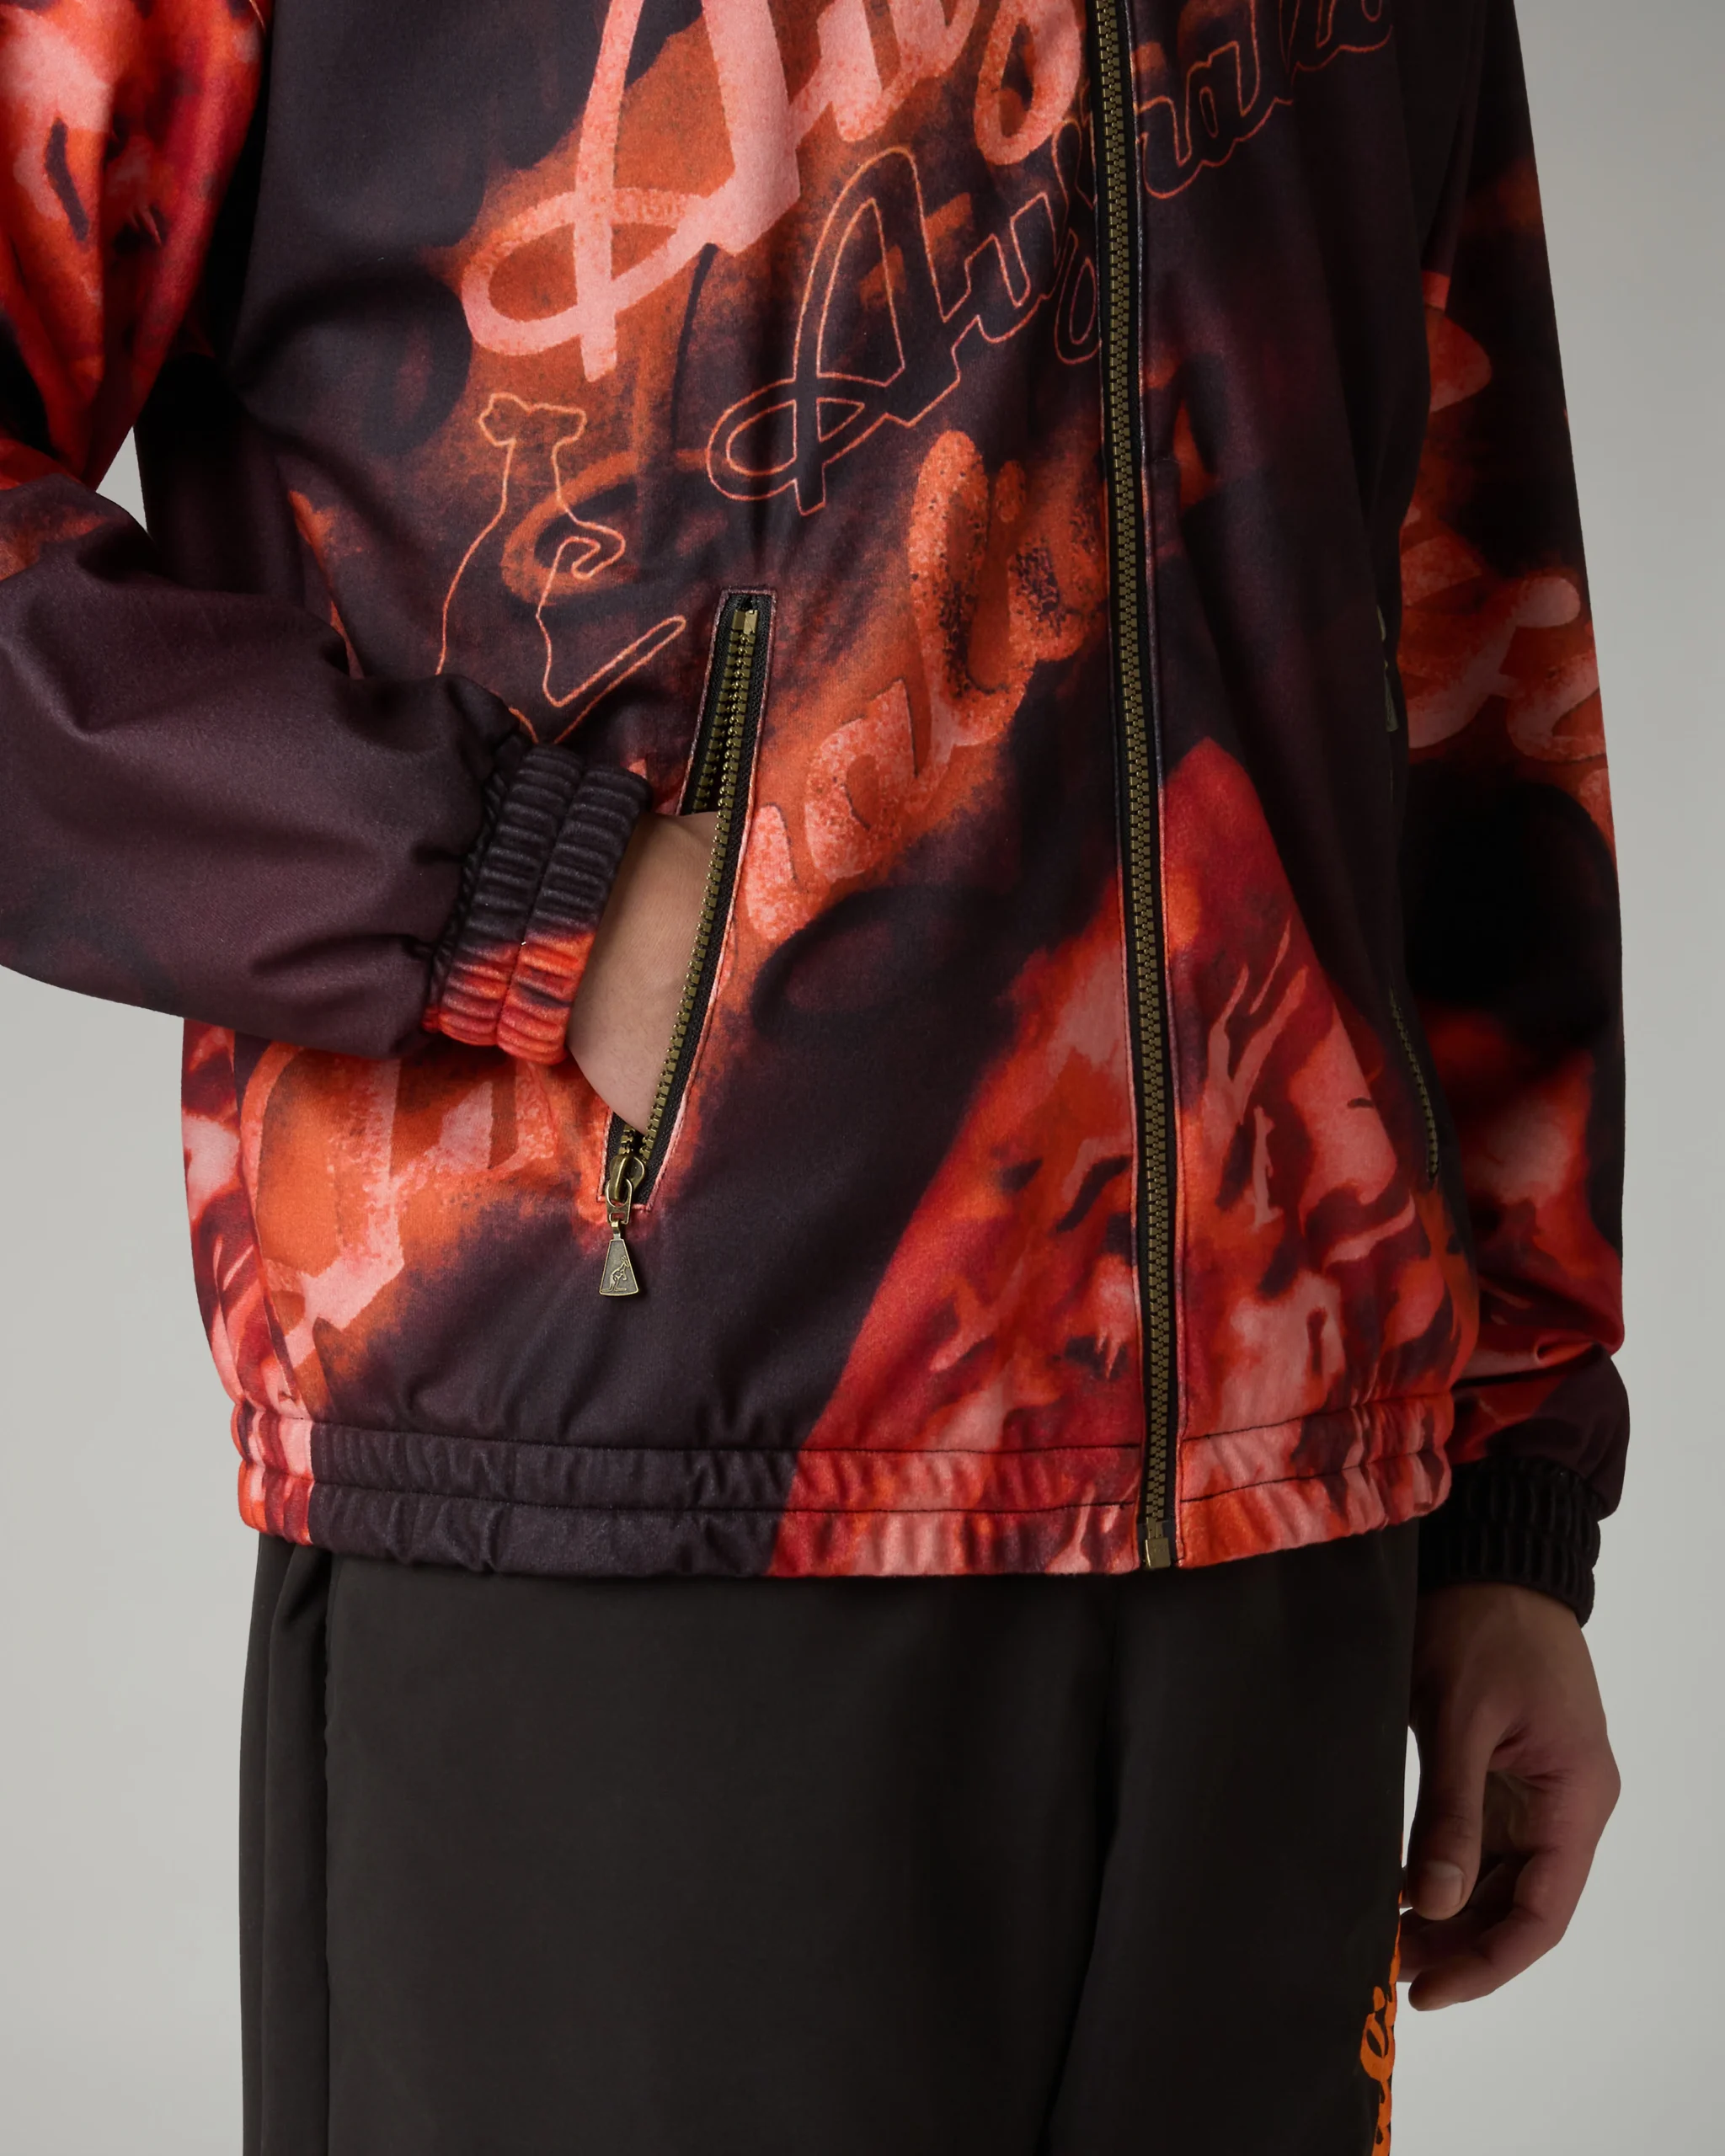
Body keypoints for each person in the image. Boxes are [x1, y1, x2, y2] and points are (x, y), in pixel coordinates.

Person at [0, 0, 1625, 2148]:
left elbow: (1456, 596)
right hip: (634, 1501)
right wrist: (504, 887)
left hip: (1281, 1530)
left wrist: (1509, 1481)